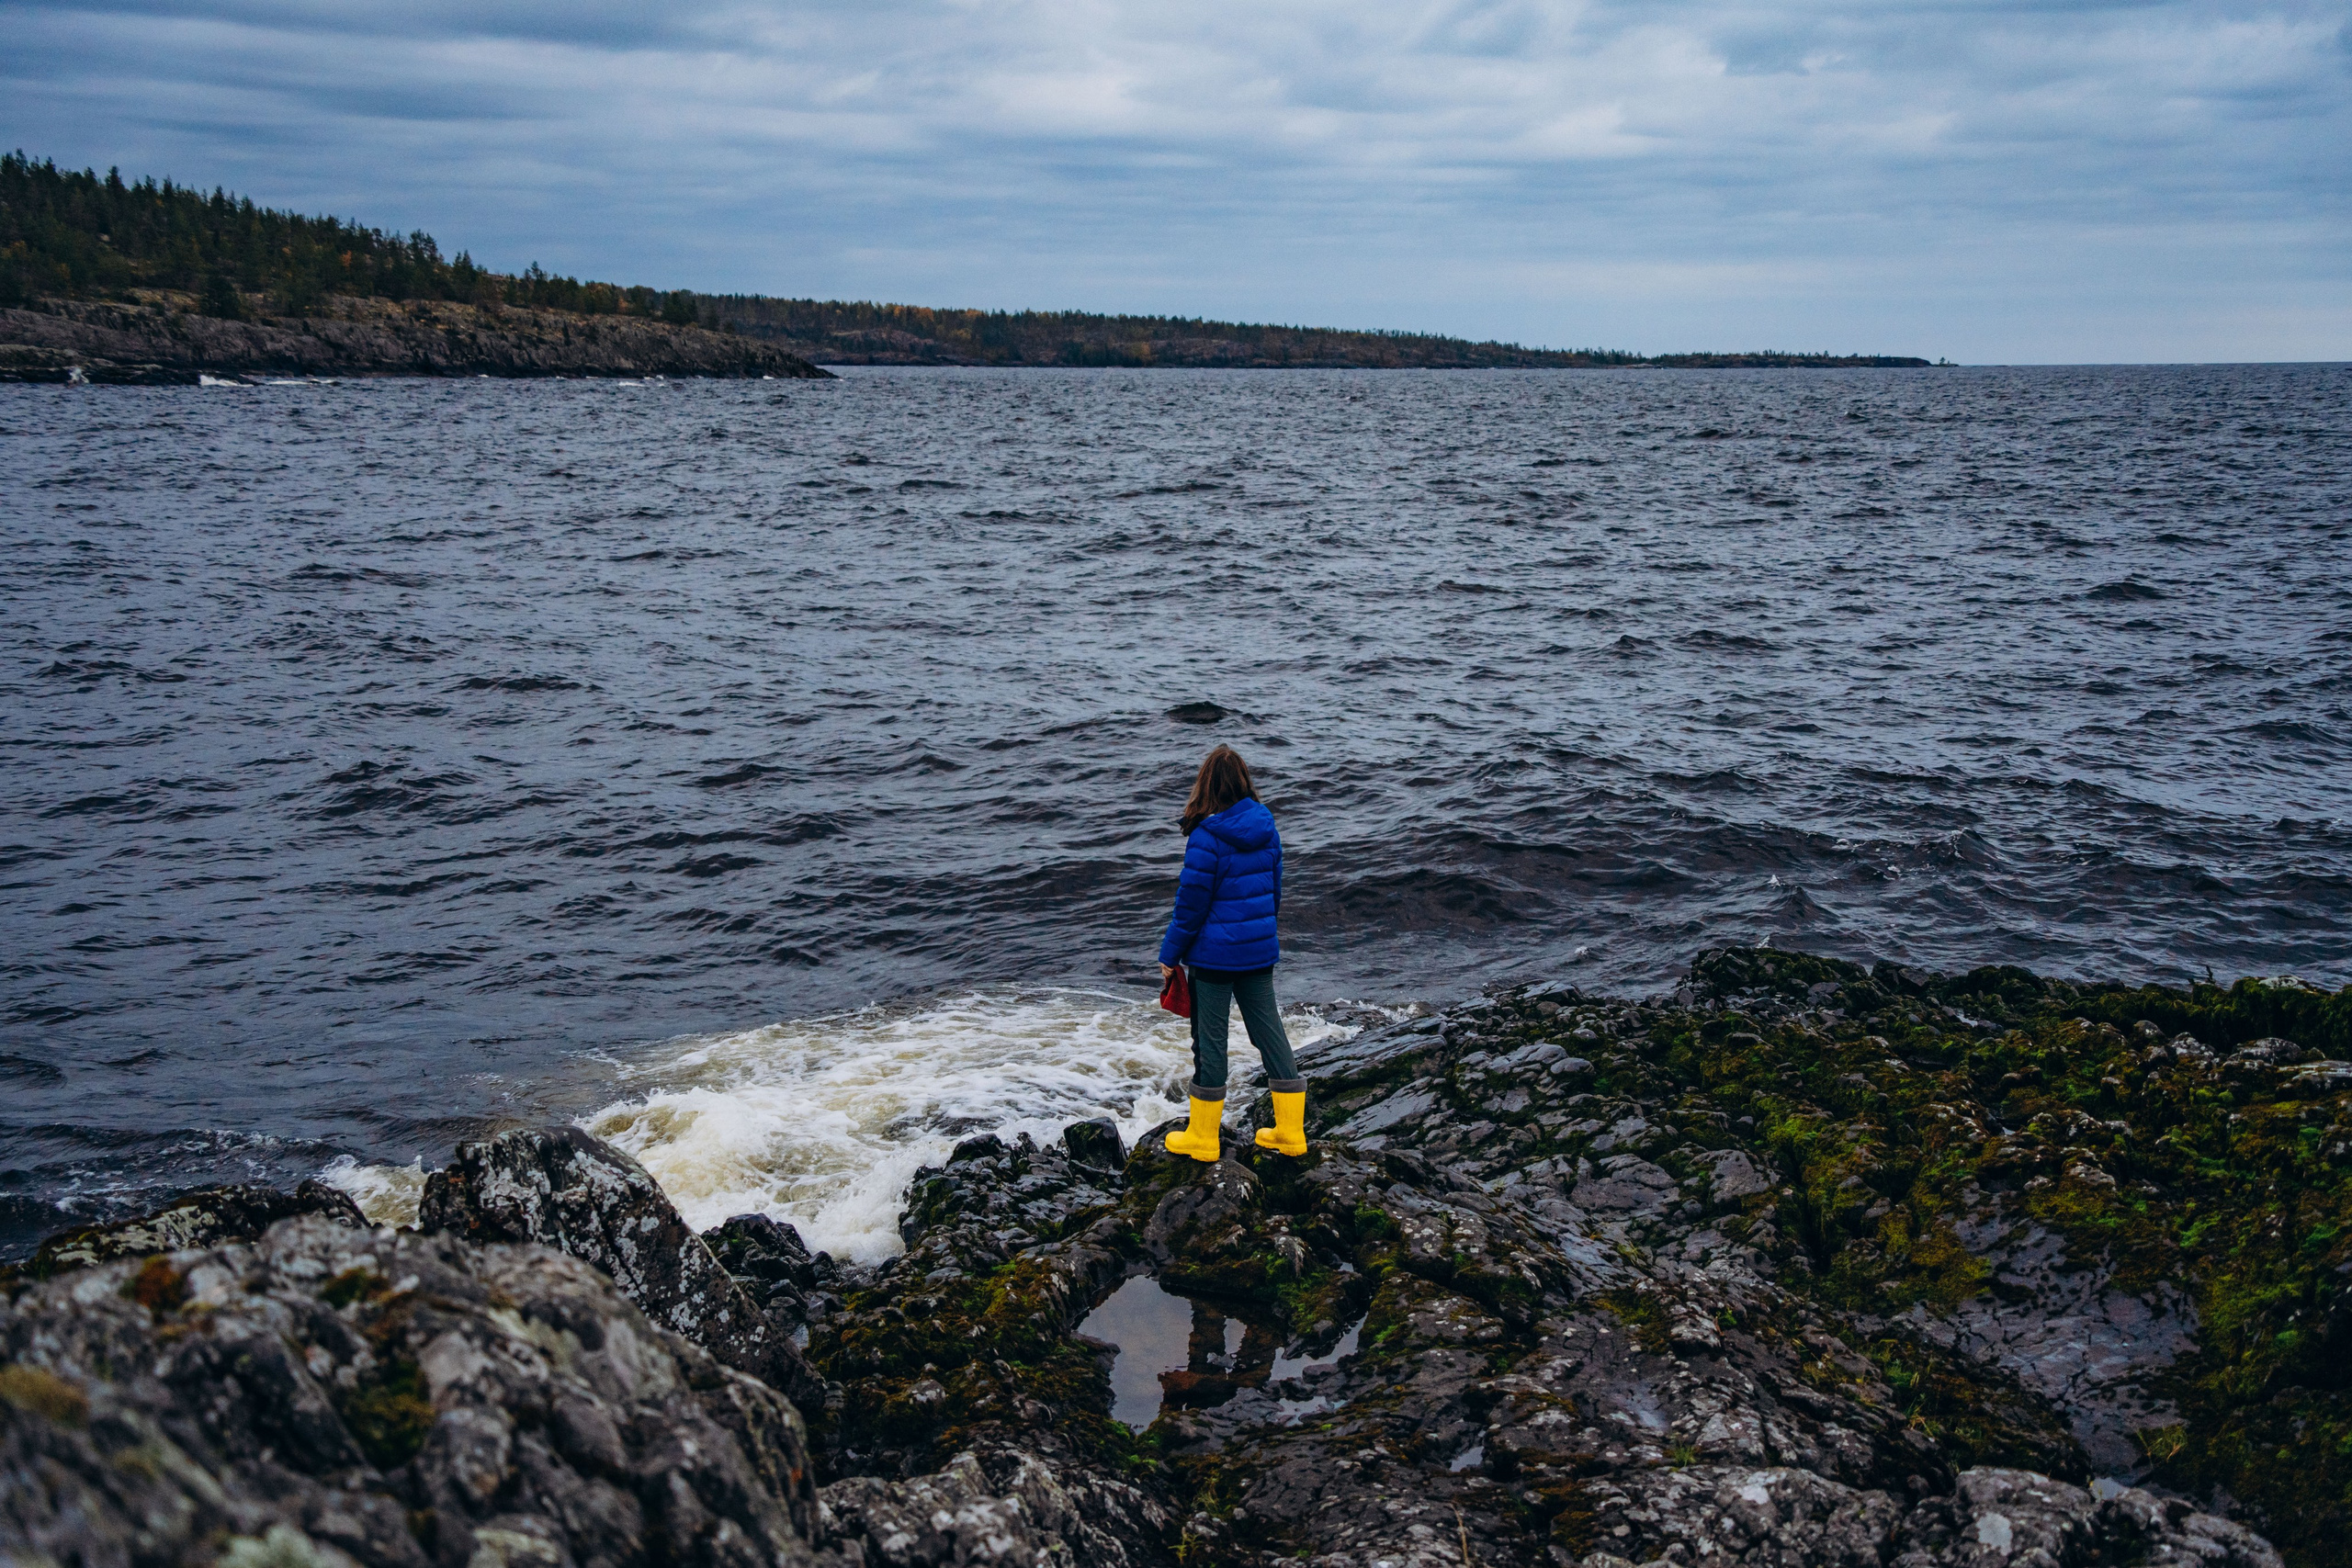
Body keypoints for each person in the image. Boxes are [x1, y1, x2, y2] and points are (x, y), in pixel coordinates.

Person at [1156, 744, 1307, 1162]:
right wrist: (1257, 936)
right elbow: (1274, 893)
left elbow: (1190, 907)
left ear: (1206, 785)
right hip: (1258, 953)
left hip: (1213, 960)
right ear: (1243, 781)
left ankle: (1203, 1137)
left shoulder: (1206, 836)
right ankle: (1291, 1133)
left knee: (1210, 1044)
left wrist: (1170, 955)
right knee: (1270, 1035)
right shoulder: (1268, 827)